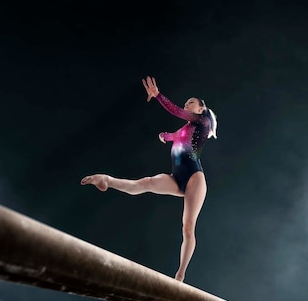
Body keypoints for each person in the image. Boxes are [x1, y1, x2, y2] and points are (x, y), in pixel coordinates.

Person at [80, 76, 218, 282]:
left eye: (191, 102)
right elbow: (174, 136)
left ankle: (180, 275)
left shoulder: (203, 122)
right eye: (186, 102)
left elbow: (176, 111)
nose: (186, 105)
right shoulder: (185, 129)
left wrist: (158, 96)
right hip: (176, 177)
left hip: (194, 178)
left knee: (187, 226)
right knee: (146, 183)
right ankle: (106, 180)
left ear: (200, 108)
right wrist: (165, 135)